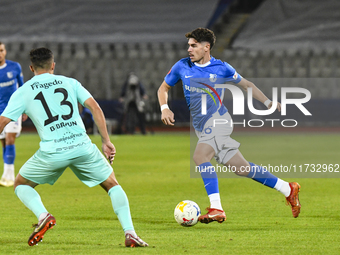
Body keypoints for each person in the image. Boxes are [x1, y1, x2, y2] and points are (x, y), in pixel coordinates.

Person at [0, 47, 148, 247]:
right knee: (112, 185)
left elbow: (3, 122)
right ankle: (130, 233)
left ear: (31, 67)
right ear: (53, 65)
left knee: (21, 184)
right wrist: (106, 141)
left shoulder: (23, 91)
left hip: (52, 152)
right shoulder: (70, 82)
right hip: (82, 147)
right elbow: (95, 107)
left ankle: (43, 215)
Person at [157, 27, 301, 223]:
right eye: (188, 46)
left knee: (200, 157)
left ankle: (217, 208)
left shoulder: (221, 68)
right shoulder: (182, 66)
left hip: (218, 121)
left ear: (206, 47)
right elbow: (163, 87)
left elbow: (246, 85)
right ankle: (287, 188)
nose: (188, 49)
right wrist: (164, 107)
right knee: (242, 168)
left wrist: (268, 103)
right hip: (202, 128)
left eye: (193, 46)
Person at [0, 42, 26, 187]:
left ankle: (9, 178)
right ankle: (7, 174)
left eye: (1, 50)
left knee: (10, 139)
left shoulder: (14, 67)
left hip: (14, 109)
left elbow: (22, 88)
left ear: (5, 51)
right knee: (4, 143)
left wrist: (24, 108)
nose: (0, 53)